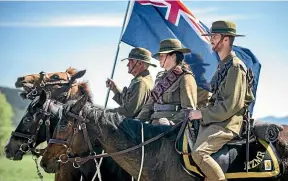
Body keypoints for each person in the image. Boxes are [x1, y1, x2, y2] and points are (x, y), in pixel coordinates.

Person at [189, 20, 255, 181]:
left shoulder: (235, 67)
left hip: (227, 123)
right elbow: (215, 98)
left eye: (214, 36)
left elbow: (230, 106)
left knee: (199, 153)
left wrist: (201, 114)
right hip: (216, 119)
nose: (210, 39)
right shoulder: (223, 66)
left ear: (226, 39)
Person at [136, 38, 198, 125]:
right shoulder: (160, 79)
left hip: (172, 128)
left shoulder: (185, 78)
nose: (159, 59)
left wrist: (171, 123)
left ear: (173, 56)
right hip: (153, 124)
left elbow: (189, 110)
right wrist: (137, 121)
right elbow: (149, 106)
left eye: (162, 56)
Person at [106, 47, 156, 118]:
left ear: (139, 63)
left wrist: (104, 113)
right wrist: (114, 88)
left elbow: (129, 111)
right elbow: (128, 104)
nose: (127, 65)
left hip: (132, 127)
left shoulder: (141, 83)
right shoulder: (141, 81)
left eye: (130, 61)